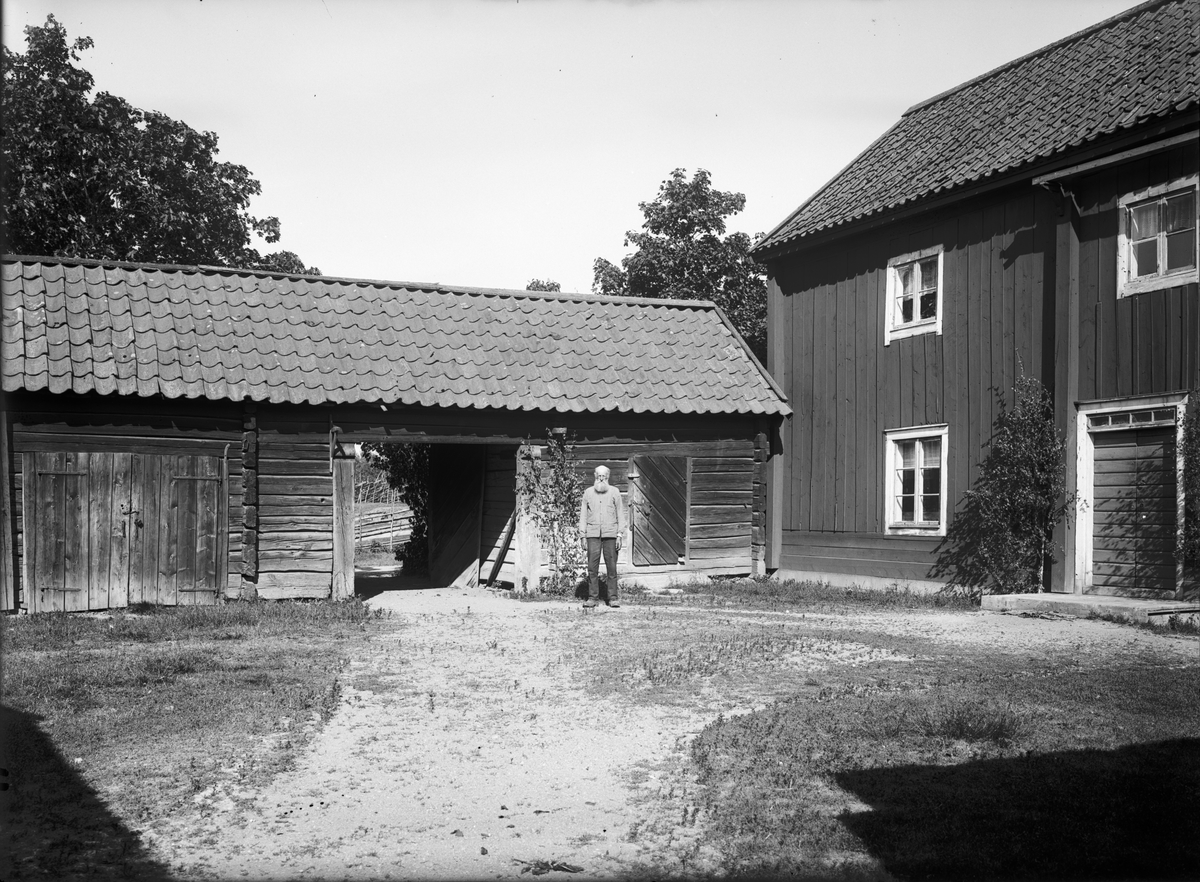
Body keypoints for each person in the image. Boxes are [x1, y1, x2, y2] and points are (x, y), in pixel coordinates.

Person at [577, 465, 626, 608]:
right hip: (592, 534)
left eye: (604, 476)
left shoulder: (615, 492)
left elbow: (620, 514)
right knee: (592, 567)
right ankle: (592, 598)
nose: (601, 478)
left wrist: (619, 535)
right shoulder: (588, 493)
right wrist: (582, 536)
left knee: (612, 567)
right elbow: (583, 516)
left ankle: (613, 598)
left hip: (611, 534)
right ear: (594, 475)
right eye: (598, 475)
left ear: (608, 477)